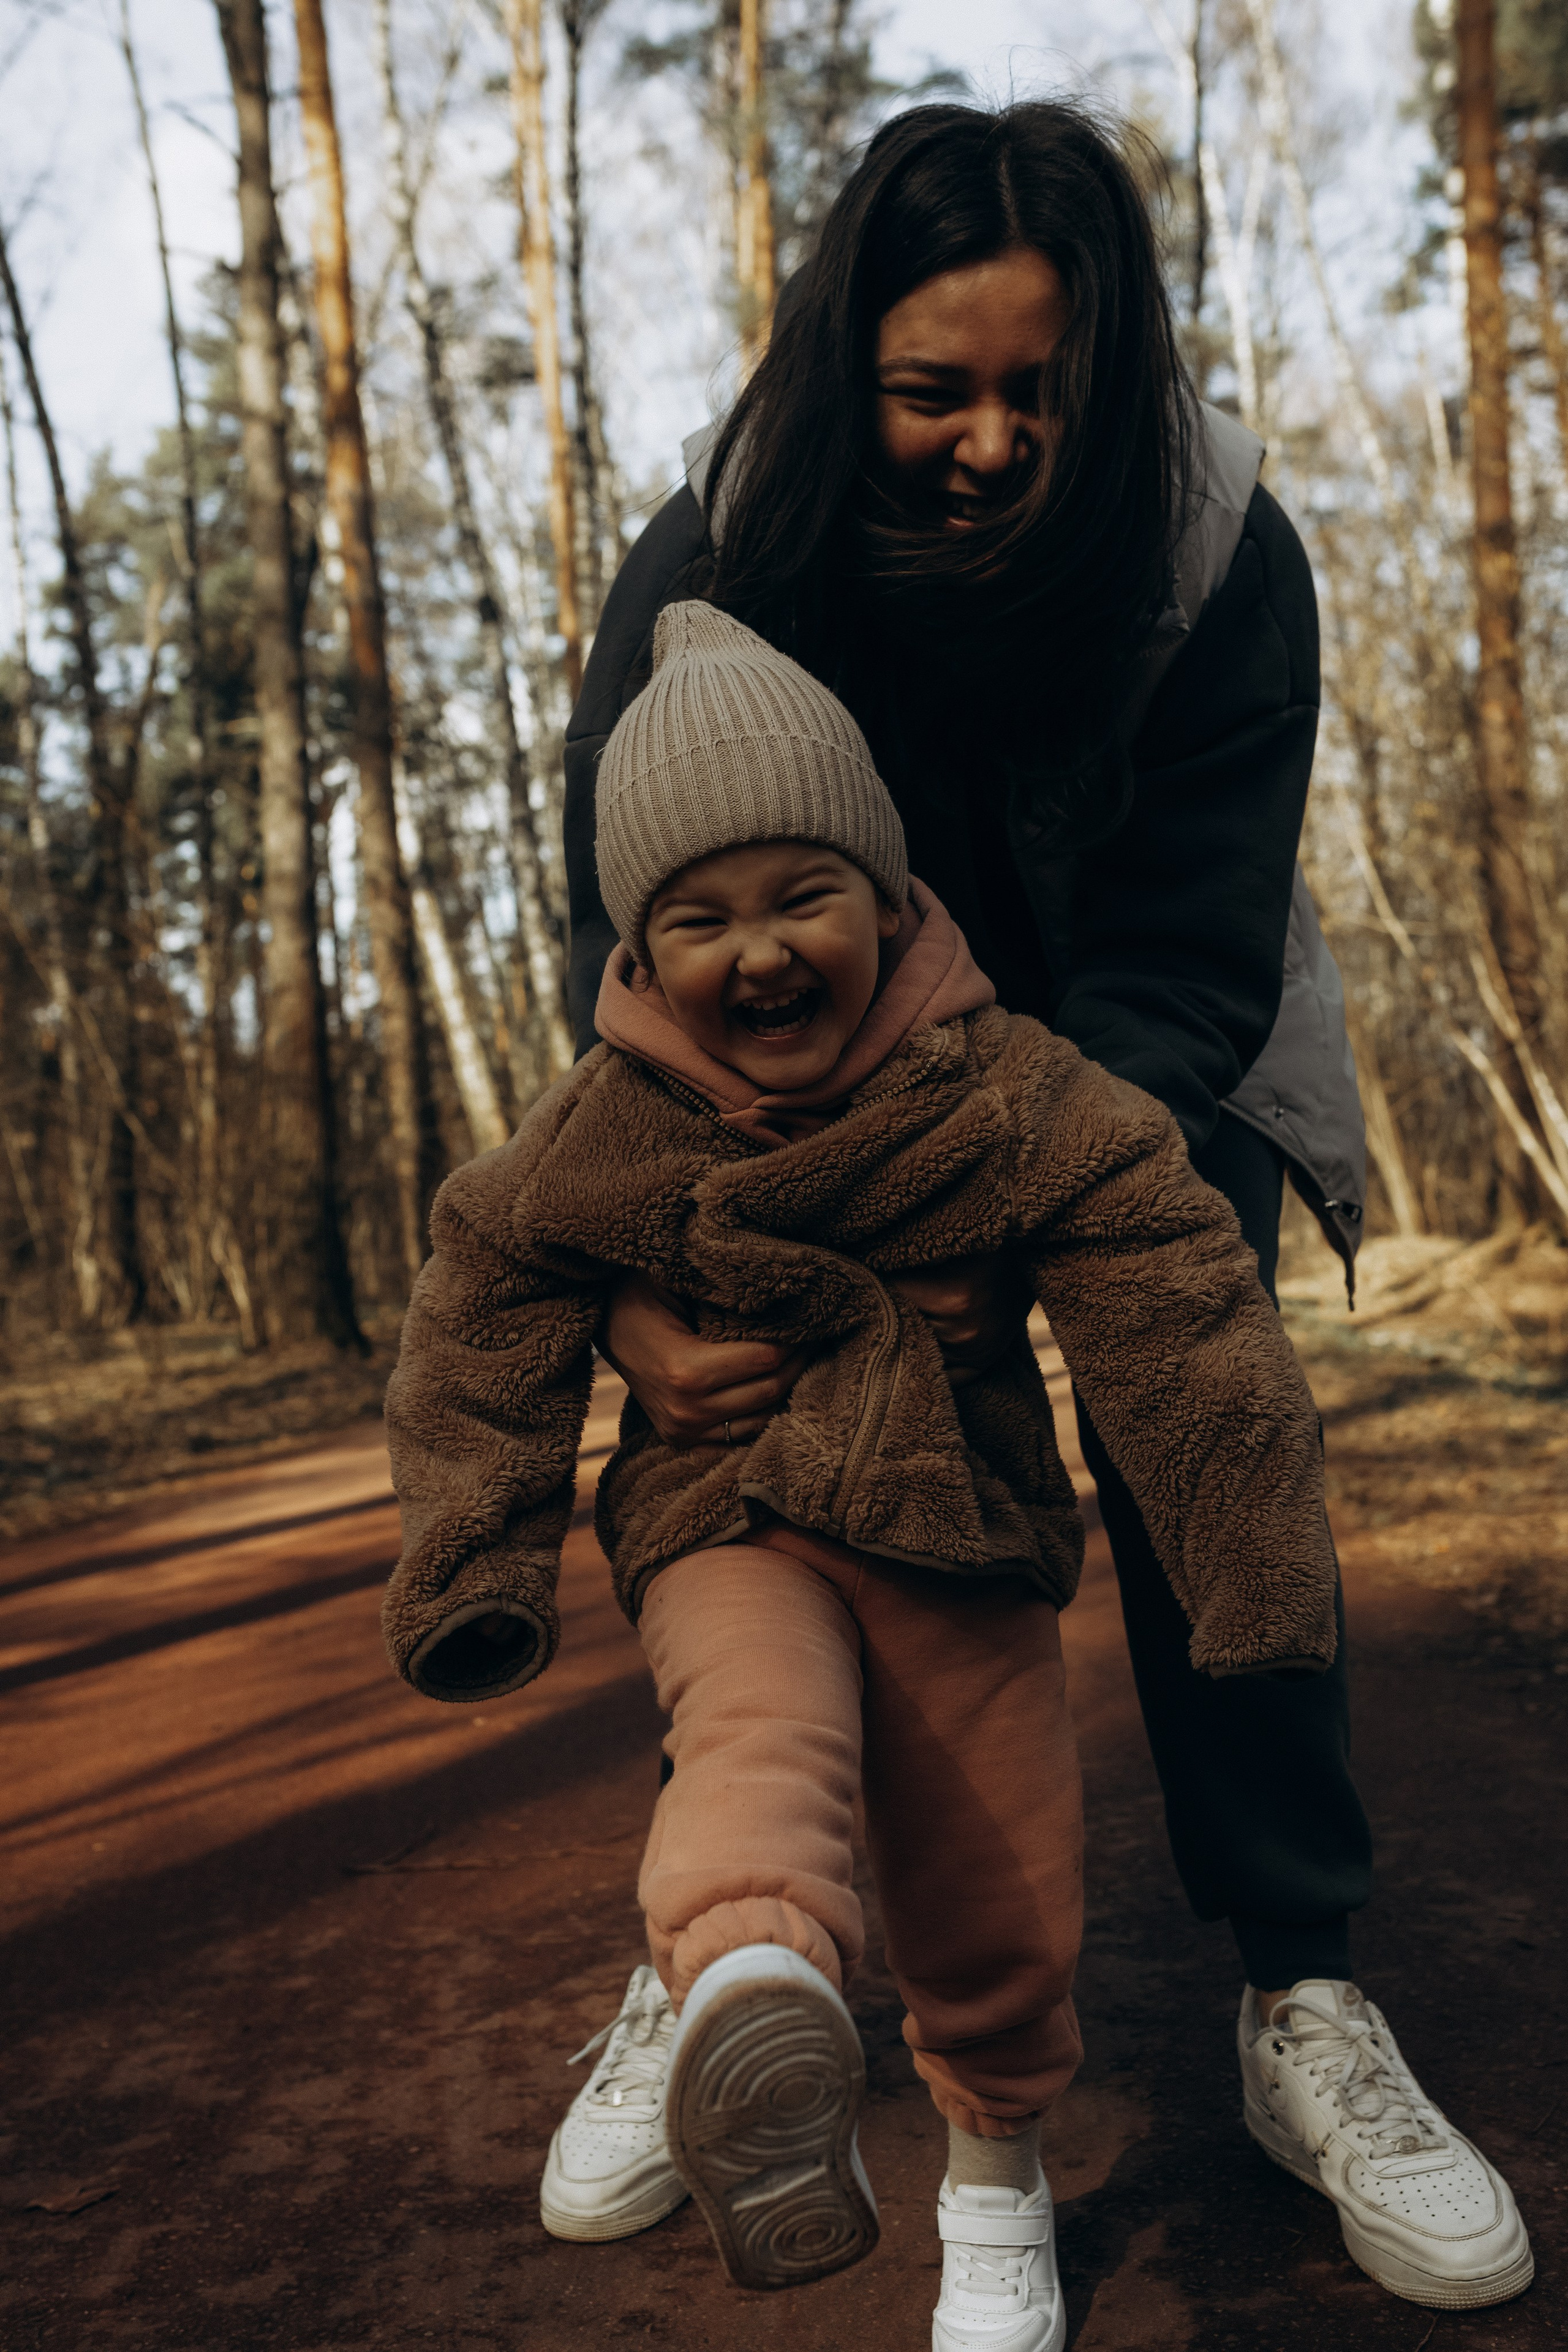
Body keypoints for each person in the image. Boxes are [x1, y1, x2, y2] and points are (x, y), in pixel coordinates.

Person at [547, 99, 1532, 2316]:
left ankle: (1305, 1992)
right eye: (934, 392)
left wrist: (1013, 1225)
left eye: (1043, 391)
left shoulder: (1217, 542)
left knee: (1205, 1432)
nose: (994, 441)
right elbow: (607, 932)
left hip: (1146, 1046)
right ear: (842, 371)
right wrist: (637, 1285)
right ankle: (715, 1948)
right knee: (742, 1454)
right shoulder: (715, 548)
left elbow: (1187, 948)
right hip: (792, 1070)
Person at [383, 599, 1360, 2348]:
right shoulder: (609, 1119)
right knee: (758, 1741)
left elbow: (1174, 1291)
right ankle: (749, 1990)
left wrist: (1250, 1558)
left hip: (957, 1524)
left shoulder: (1001, 1088)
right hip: (725, 1510)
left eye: (800, 895)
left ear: (890, 898)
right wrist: (477, 1558)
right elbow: (480, 1297)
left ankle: (995, 2171)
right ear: (638, 943)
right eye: (698, 918)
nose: (755, 950)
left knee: (998, 1865)